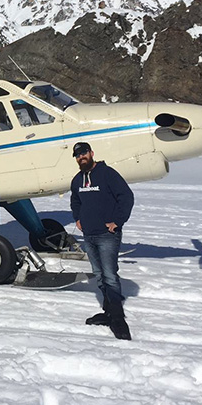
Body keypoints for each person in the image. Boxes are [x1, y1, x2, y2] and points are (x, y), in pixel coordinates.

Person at [70, 142, 134, 340]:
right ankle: (108, 313)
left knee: (110, 275)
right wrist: (78, 218)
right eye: (78, 155)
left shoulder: (107, 174)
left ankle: (118, 318)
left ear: (91, 153)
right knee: (99, 274)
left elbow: (126, 196)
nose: (82, 157)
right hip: (89, 235)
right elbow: (76, 201)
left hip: (107, 235)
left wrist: (118, 221)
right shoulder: (78, 179)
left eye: (84, 153)